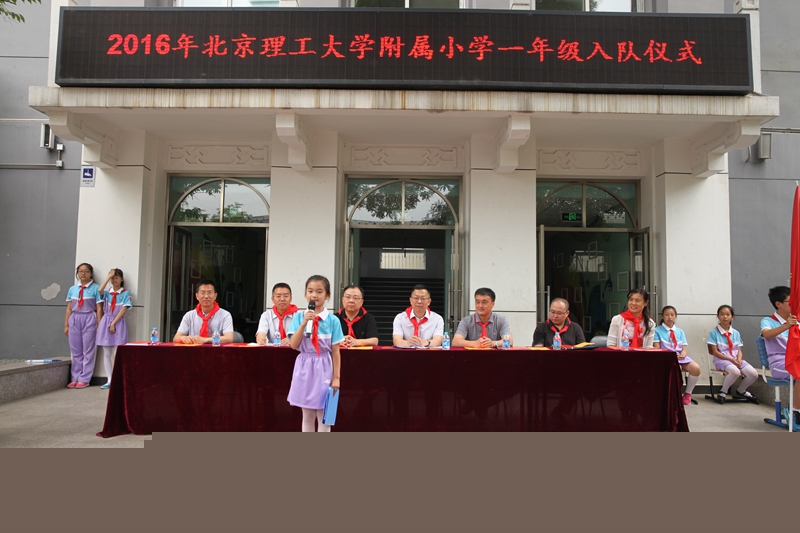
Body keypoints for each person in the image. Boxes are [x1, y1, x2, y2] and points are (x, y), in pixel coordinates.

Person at [287, 275, 343, 432]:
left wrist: (336, 377)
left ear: (327, 295)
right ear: (305, 294)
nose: (314, 295)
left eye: (319, 291)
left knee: (324, 415)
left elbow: (336, 351)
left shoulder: (333, 320)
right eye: (310, 291)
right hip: (304, 367)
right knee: (307, 415)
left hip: (324, 366)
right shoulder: (299, 317)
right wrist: (304, 323)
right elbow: (293, 345)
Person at [760, 286, 800, 428]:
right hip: (779, 363)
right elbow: (766, 334)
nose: (796, 304)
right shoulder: (768, 321)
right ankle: (793, 411)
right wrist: (786, 326)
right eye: (791, 302)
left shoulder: (797, 321)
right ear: (779, 304)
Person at [707, 304, 758, 404]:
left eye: (727, 314)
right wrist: (731, 360)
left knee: (753, 374)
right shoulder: (713, 333)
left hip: (735, 359)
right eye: (722, 314)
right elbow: (715, 352)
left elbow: (739, 350)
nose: (725, 317)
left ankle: (741, 390)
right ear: (718, 316)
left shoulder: (736, 333)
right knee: (735, 371)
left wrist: (739, 359)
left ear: (732, 317)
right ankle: (723, 392)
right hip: (721, 360)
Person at [64, 263, 103, 389]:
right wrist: (66, 325)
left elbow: (99, 307)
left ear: (91, 273)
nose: (83, 274)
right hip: (75, 318)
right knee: (75, 350)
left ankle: (85, 378)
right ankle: (75, 377)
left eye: (86, 271)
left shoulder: (96, 288)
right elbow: (69, 308)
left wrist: (99, 325)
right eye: (80, 271)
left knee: (88, 349)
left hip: (89, 317)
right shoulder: (72, 289)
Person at [654, 306, 700, 405]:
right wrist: (672, 355)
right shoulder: (657, 330)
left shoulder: (680, 331)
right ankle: (675, 394)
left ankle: (688, 394)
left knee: (696, 368)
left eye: (672, 315)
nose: (669, 317)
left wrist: (683, 353)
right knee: (677, 368)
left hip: (680, 358)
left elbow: (684, 349)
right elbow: (657, 348)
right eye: (667, 315)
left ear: (675, 316)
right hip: (667, 358)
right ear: (662, 316)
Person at [96, 268, 132, 390]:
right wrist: (107, 277)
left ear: (122, 279)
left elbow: (123, 309)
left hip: (118, 322)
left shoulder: (125, 293)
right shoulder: (107, 292)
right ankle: (109, 379)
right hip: (106, 321)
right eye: (112, 278)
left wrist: (113, 323)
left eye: (116, 277)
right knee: (106, 352)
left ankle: (118, 379)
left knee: (117, 352)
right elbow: (100, 290)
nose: (114, 280)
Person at [173, 279, 234, 344]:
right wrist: (183, 338)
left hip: (216, 349)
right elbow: (176, 338)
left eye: (210, 292)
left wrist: (205, 340)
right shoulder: (189, 315)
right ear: (197, 296)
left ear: (215, 296)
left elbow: (229, 338)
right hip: (194, 349)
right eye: (202, 293)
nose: (206, 296)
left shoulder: (225, 315)